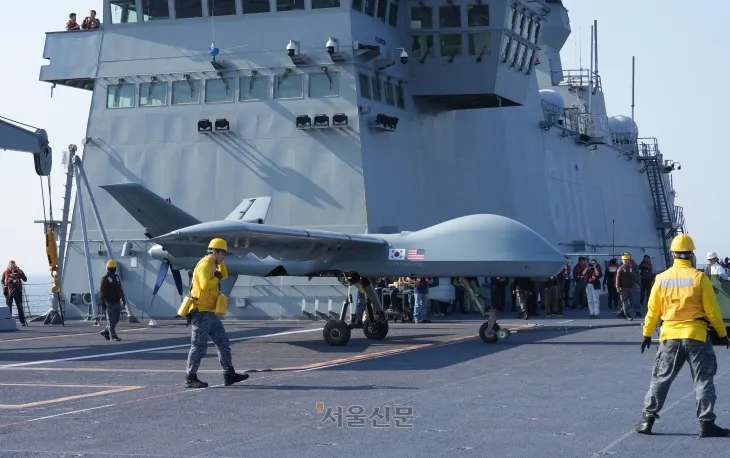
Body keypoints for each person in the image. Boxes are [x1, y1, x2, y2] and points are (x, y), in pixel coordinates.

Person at [635, 234, 730, 437]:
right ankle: (706, 424)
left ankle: (647, 420)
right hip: (696, 335)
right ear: (691, 255)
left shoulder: (660, 279)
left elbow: (652, 311)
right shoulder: (700, 278)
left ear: (673, 254)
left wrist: (646, 334)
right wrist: (723, 334)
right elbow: (713, 311)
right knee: (703, 379)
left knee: (661, 379)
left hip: (669, 336)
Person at [183, 238, 248, 389]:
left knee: (223, 343)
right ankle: (190, 377)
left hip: (210, 312)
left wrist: (220, 264)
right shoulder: (205, 265)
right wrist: (216, 276)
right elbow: (205, 285)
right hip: (200, 311)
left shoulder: (213, 264)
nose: (224, 256)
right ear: (215, 251)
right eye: (222, 254)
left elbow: (224, 275)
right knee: (198, 346)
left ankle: (229, 374)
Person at [99, 259, 125, 341]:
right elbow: (102, 291)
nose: (112, 269)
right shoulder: (105, 279)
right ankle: (113, 335)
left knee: (116, 318)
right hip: (109, 301)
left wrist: (123, 297)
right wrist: (102, 302)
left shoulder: (117, 278)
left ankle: (106, 331)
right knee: (111, 319)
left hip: (116, 301)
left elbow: (120, 288)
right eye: (111, 268)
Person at [2, 260, 28, 326]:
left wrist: (20, 273)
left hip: (17, 291)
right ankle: (8, 321)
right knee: (8, 307)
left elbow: (25, 279)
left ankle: (22, 321)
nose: (13, 268)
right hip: (9, 292)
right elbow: (2, 282)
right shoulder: (5, 272)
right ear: (9, 266)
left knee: (20, 306)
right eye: (11, 266)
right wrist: (5, 286)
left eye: (14, 266)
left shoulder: (19, 271)